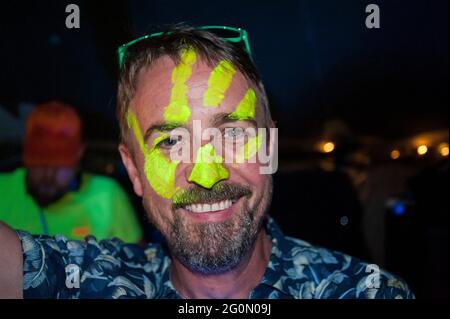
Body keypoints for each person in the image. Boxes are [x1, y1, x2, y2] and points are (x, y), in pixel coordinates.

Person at [0, 25, 413, 299]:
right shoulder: (93, 284)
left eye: (232, 133)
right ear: (133, 171)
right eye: (172, 141)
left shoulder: (365, 293)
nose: (207, 173)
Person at [0, 101, 143, 243]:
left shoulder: (108, 195)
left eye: (59, 165)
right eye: (40, 163)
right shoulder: (3, 190)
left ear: (79, 154)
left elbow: (139, 260)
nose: (48, 175)